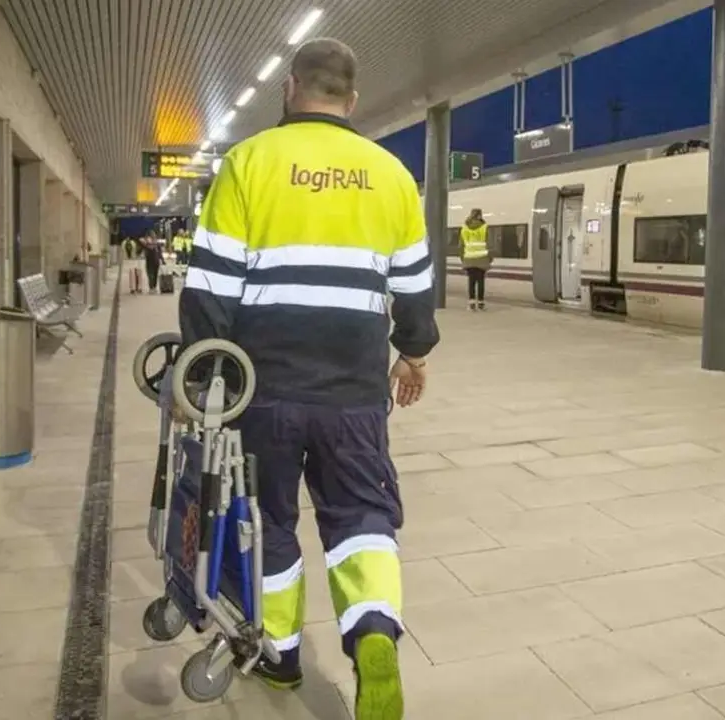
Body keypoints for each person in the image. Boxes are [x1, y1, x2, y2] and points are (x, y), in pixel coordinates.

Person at [177, 37, 438, 719]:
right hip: (354, 393)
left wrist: (201, 378)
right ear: (351, 100)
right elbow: (413, 287)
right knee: (362, 516)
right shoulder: (391, 174)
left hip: (262, 389)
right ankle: (374, 637)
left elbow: (210, 286)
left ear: (289, 88)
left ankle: (282, 655)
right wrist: (412, 353)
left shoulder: (249, 162)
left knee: (268, 524)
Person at [459, 208, 490, 310]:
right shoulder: (484, 227)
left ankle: (471, 303)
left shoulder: (464, 228)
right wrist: (489, 258)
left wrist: (462, 258)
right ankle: (481, 303)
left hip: (469, 258)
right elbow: (489, 244)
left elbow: (461, 245)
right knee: (481, 281)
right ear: (480, 215)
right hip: (481, 258)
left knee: (471, 281)